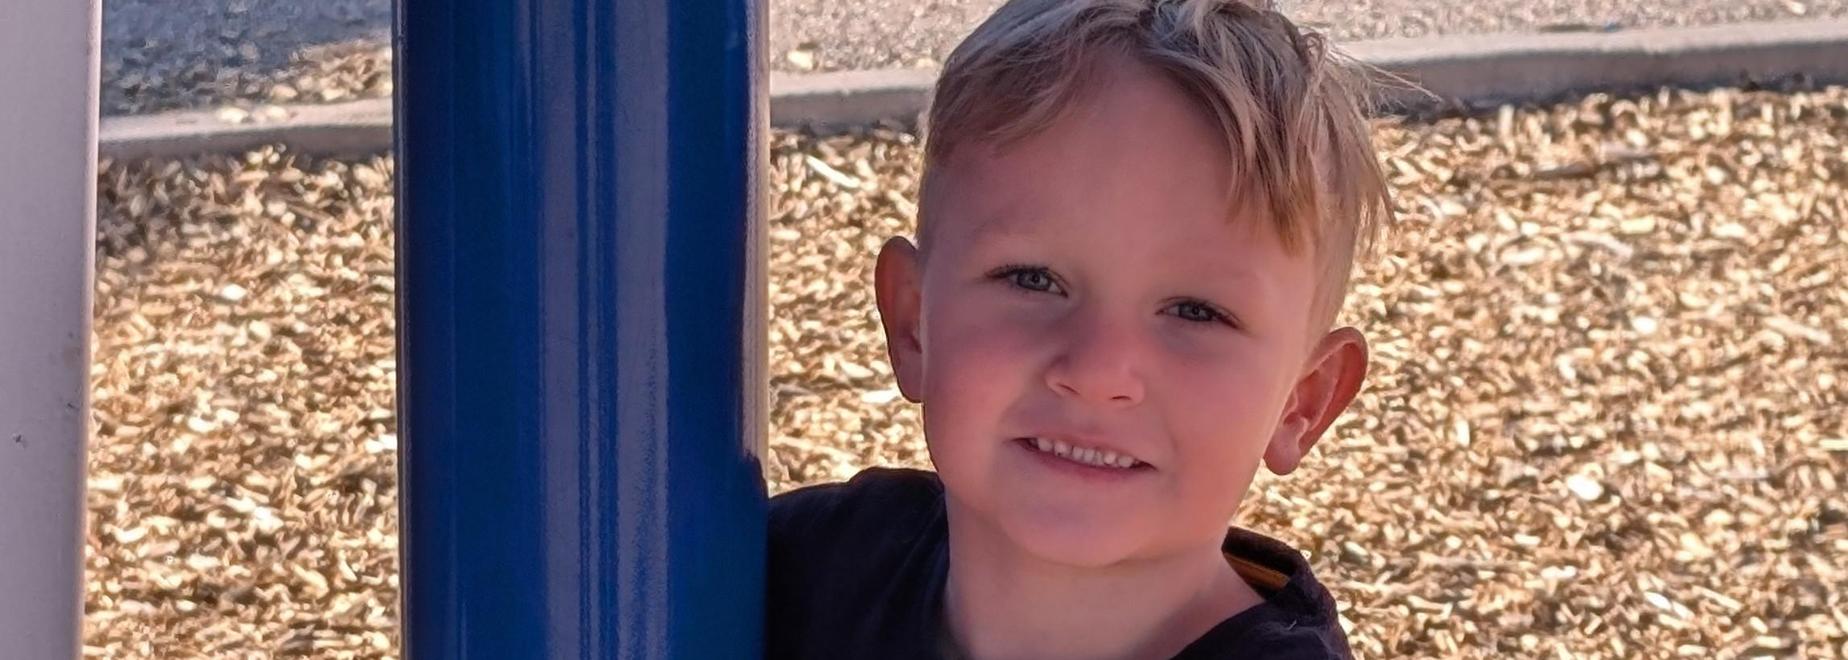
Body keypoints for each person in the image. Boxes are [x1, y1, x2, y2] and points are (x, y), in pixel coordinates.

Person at [768, 0, 1396, 657]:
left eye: (1195, 311)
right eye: (1033, 279)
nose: (1098, 372)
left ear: (1303, 401)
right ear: (913, 321)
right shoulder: (802, 570)